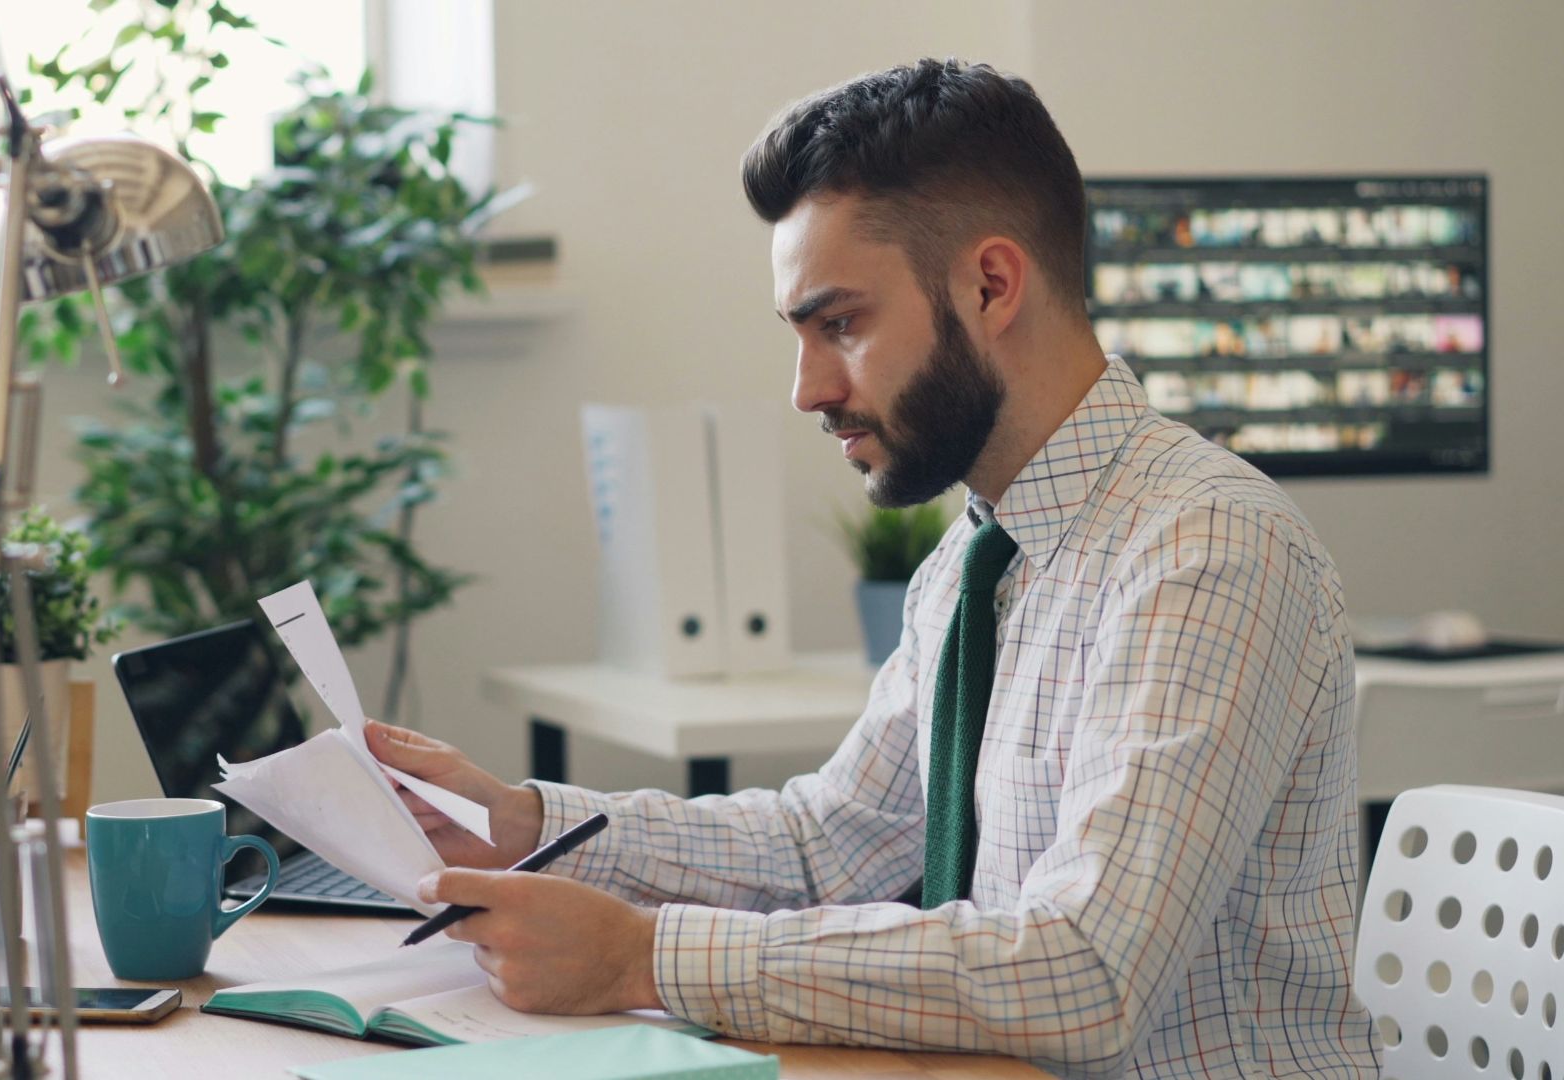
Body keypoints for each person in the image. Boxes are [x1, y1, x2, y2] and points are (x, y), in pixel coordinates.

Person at [366, 57, 1381, 1079]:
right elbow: (826, 845)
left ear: (991, 285)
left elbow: (1086, 971)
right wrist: (522, 823)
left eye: (840, 324)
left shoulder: (1207, 548)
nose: (808, 388)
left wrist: (644, 958)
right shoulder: (976, 562)